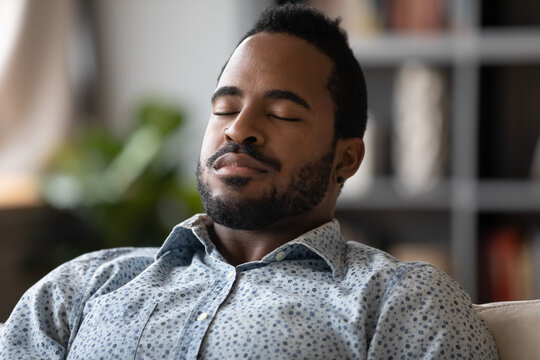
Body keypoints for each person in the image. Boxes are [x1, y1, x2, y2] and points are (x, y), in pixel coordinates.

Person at [0, 4, 498, 359]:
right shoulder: (83, 286)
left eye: (281, 113)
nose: (239, 130)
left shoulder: (401, 303)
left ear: (346, 158)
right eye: (225, 108)